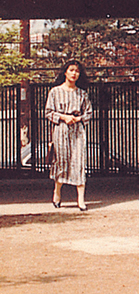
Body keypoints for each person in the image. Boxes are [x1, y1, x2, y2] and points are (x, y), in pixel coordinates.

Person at [45, 59, 93, 211]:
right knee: (62, 161)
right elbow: (48, 112)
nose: (74, 73)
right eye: (71, 70)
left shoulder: (82, 94)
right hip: (61, 129)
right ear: (65, 72)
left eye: (77, 71)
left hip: (77, 131)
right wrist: (63, 117)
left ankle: (81, 199)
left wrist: (78, 119)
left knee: (79, 161)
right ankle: (57, 192)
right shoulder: (55, 92)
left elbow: (89, 113)